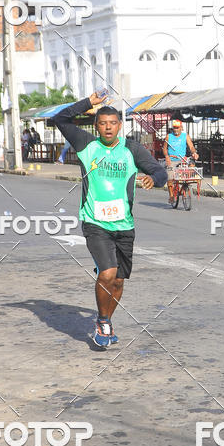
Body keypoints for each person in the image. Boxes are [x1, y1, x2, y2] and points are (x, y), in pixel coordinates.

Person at [52, 92, 167, 348]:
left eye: (112, 123)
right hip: (95, 223)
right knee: (107, 273)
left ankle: (106, 320)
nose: (107, 128)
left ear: (119, 125)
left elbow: (160, 171)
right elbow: (60, 119)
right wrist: (88, 103)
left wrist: (154, 179)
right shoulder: (86, 144)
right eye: (103, 123)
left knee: (118, 281)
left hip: (124, 225)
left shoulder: (132, 149)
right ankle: (103, 322)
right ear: (96, 126)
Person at [163, 117, 198, 203]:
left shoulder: (185, 136)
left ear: (181, 128)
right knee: (170, 177)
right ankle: (171, 195)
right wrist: (167, 156)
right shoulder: (168, 136)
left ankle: (186, 186)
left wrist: (194, 153)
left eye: (177, 128)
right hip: (172, 160)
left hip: (182, 159)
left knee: (191, 166)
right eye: (174, 128)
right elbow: (164, 148)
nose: (176, 129)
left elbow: (191, 147)